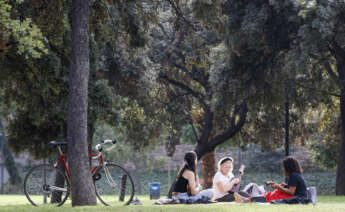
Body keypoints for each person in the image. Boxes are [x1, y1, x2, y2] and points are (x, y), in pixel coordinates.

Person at [234, 156, 307, 203]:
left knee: (274, 195)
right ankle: (247, 199)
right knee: (272, 193)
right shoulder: (296, 174)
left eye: (284, 167)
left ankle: (246, 200)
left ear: (288, 167)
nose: (283, 169)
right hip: (297, 196)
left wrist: (278, 187)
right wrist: (283, 186)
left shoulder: (293, 175)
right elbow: (294, 188)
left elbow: (291, 192)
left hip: (297, 198)